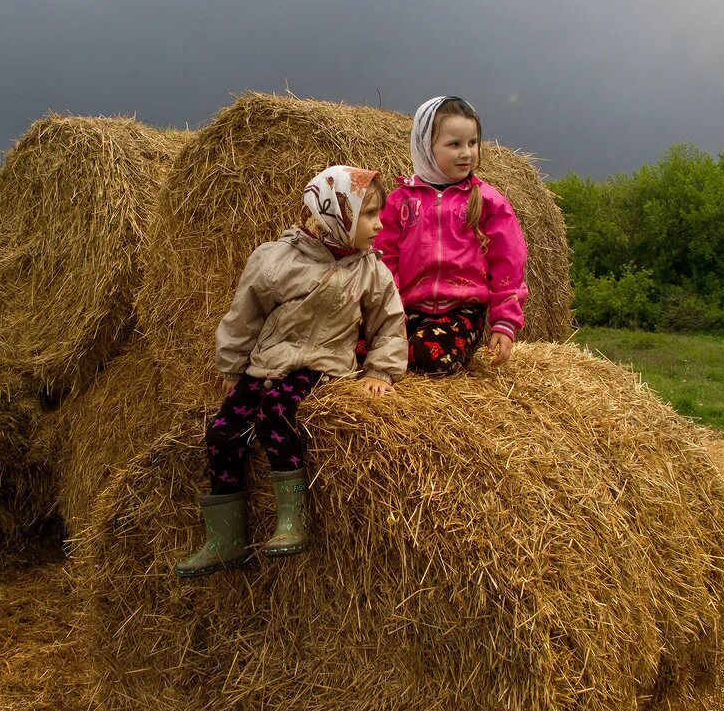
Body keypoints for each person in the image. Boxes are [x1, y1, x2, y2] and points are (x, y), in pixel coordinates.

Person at [175, 166, 407, 578]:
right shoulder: (275, 260)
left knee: (274, 415)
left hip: (322, 365)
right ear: (338, 214)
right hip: (269, 362)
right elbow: (243, 316)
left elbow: (389, 324)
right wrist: (232, 367)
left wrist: (381, 372)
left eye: (378, 213)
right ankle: (225, 539)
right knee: (222, 433)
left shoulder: (371, 270)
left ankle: (291, 519)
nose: (379, 223)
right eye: (369, 214)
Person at [374, 96, 529, 374]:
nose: (466, 153)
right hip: (406, 308)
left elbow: (508, 263)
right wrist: (388, 308)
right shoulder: (400, 202)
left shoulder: (487, 201)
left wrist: (505, 321)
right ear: (425, 147)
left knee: (425, 357)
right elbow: (384, 257)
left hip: (461, 311)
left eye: (472, 143)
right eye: (454, 144)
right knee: (361, 350)